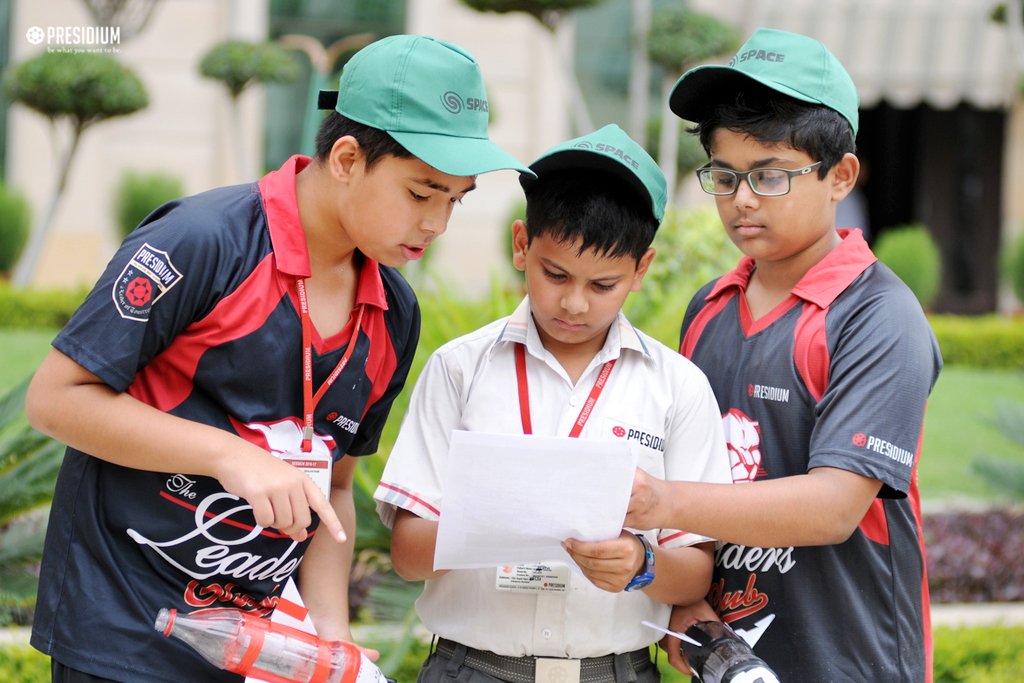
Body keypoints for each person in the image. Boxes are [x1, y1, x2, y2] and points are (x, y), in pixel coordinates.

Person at [25, 34, 531, 683]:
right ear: (347, 157)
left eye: (455, 200)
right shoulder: (202, 242)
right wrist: (229, 456)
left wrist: (331, 640)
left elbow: (336, 488)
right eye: (421, 193)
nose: (438, 223)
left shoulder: (393, 312)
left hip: (261, 653)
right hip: (127, 633)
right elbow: (56, 398)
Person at [625, 28, 942, 682]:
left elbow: (832, 506)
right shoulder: (708, 307)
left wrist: (662, 502)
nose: (741, 198)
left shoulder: (875, 314)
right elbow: (693, 489)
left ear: (841, 176)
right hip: (729, 662)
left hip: (853, 662)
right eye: (725, 174)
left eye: (769, 175)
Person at [373, 124, 734, 683]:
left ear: (641, 270)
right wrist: (514, 517)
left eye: (603, 284)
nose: (573, 302)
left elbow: (695, 575)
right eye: (555, 274)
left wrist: (641, 565)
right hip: (471, 668)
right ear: (522, 244)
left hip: (615, 671)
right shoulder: (461, 368)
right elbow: (408, 551)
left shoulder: (677, 387)